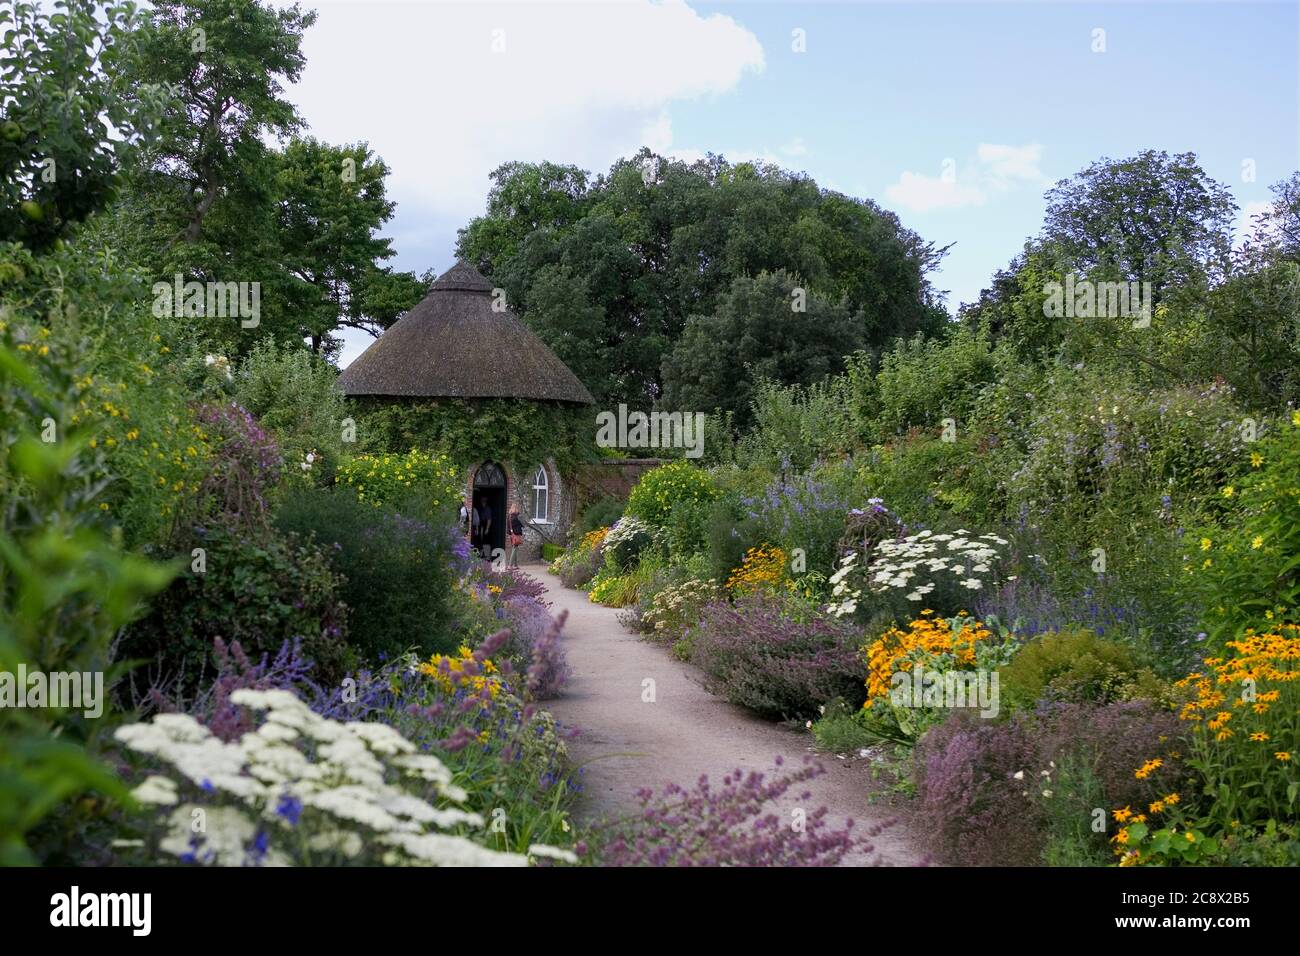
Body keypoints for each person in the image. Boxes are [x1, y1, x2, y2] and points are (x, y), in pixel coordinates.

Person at [478, 495, 493, 559]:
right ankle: (481, 555)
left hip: (485, 525)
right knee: (480, 541)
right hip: (480, 525)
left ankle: (487, 556)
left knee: (486, 541)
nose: (483, 502)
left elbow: (489, 519)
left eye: (484, 501)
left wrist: (487, 528)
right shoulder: (480, 508)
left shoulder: (487, 509)